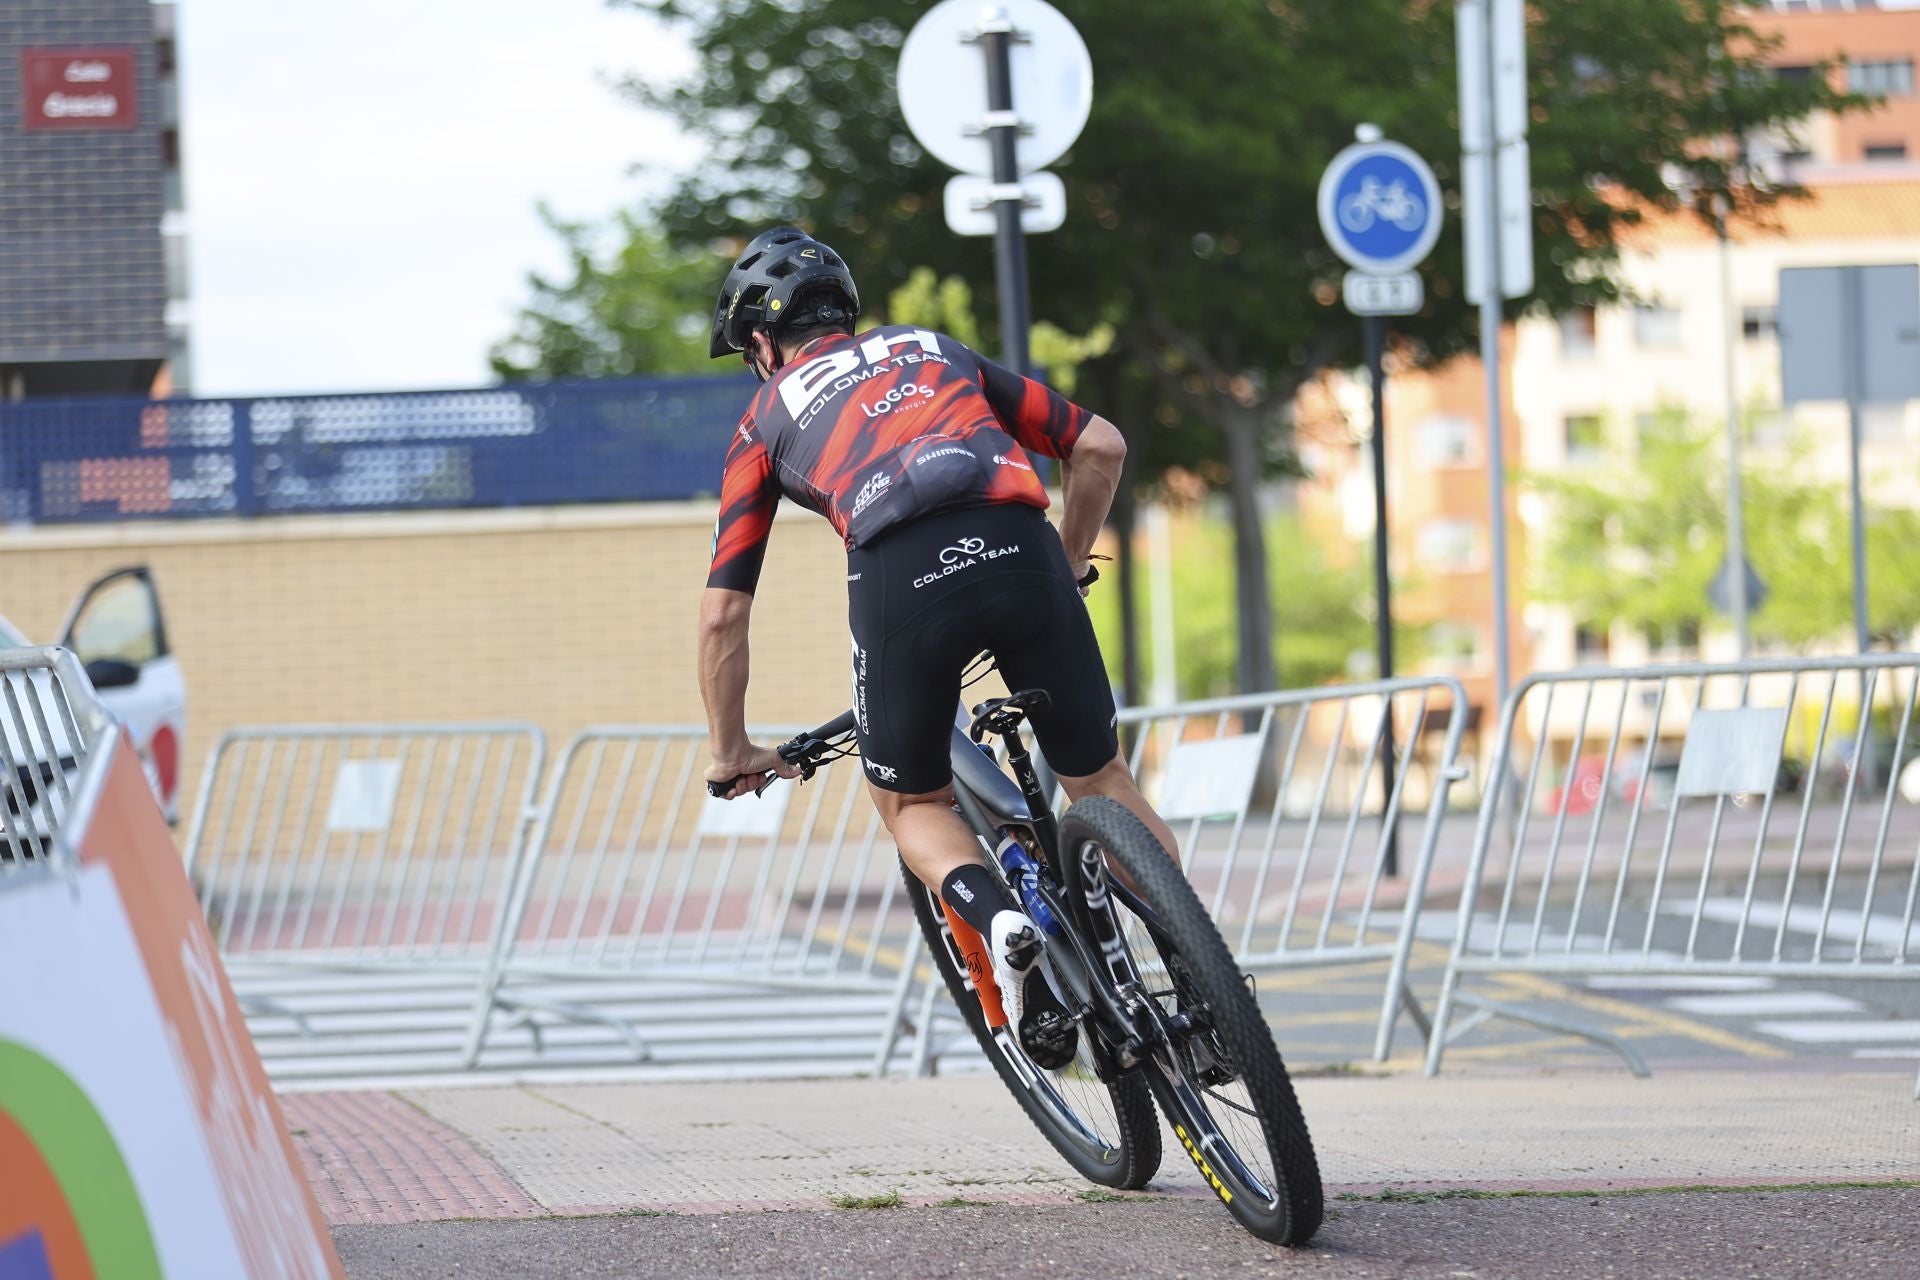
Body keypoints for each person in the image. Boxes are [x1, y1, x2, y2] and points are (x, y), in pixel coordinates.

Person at [696, 226, 1181, 1067]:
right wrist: (1066, 564)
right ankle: (1201, 977)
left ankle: (997, 918)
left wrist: (730, 749)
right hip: (1022, 544)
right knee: (1099, 779)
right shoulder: (930, 349)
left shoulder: (763, 419)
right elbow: (1099, 444)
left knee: (915, 804)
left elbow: (722, 616)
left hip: (901, 578)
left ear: (764, 342)